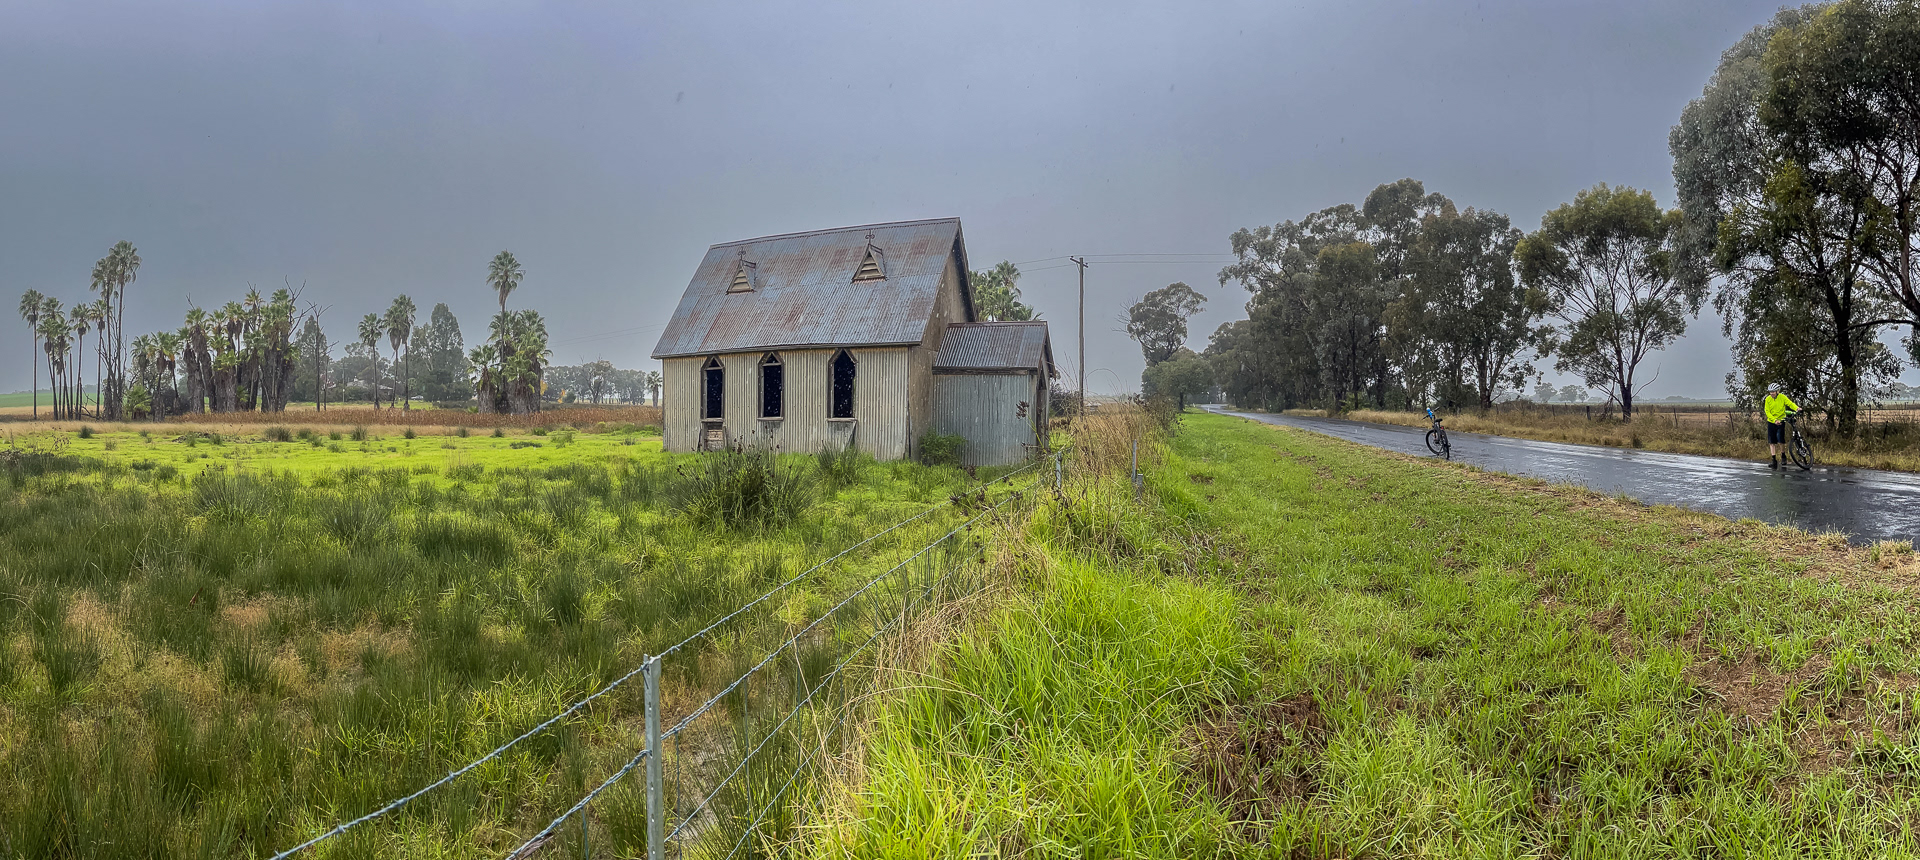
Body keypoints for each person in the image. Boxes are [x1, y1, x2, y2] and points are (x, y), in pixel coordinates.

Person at [1763, 382, 1800, 470]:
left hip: (1781, 421)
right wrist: (1774, 420)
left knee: (1780, 440)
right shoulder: (1768, 399)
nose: (1771, 393)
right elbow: (1767, 411)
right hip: (1772, 422)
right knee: (1772, 442)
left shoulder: (1782, 397)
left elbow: (1790, 403)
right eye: (1770, 392)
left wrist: (1797, 408)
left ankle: (1783, 455)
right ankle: (1774, 460)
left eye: (1773, 392)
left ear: (1777, 391)